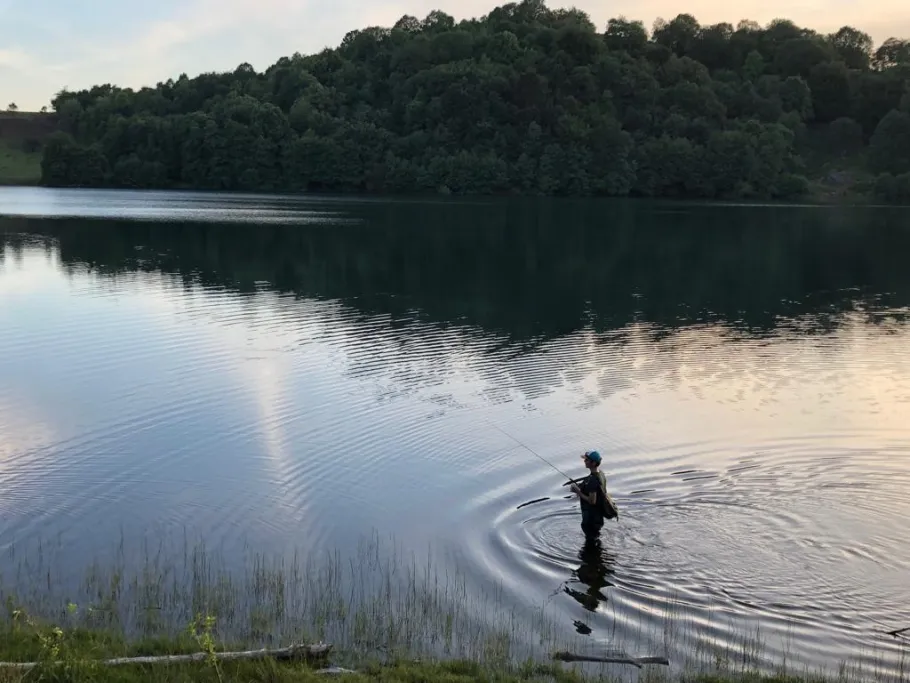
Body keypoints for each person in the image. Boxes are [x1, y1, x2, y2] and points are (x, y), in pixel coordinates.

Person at [570, 450, 608, 538]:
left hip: (591, 519)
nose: (584, 461)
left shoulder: (592, 480)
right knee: (595, 539)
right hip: (598, 516)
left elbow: (592, 501)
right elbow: (597, 490)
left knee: (591, 541)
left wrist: (577, 491)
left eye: (586, 460)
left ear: (593, 463)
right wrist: (580, 487)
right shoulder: (601, 474)